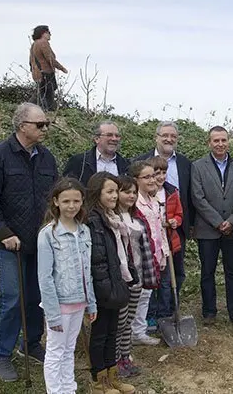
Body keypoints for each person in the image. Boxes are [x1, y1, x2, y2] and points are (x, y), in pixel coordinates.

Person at [0, 102, 58, 382]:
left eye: (46, 124)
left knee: (37, 298)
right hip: (9, 243)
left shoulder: (47, 158)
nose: (45, 128)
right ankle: (1, 354)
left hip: (40, 243)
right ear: (22, 126)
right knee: (13, 299)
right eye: (40, 124)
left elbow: (54, 199)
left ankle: (31, 343)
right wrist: (3, 233)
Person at [37, 177, 97, 394]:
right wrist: (52, 314)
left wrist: (91, 303)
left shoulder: (84, 231)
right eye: (66, 201)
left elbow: (86, 271)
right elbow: (45, 277)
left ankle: (68, 388)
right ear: (56, 202)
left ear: (82, 202)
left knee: (69, 349)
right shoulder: (48, 234)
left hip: (79, 302)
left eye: (76, 201)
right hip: (59, 305)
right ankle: (55, 390)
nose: (71, 206)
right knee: (55, 351)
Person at [191, 126, 233, 324]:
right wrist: (217, 222)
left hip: (232, 230)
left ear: (228, 141)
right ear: (209, 143)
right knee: (207, 271)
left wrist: (231, 221)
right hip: (208, 229)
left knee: (232, 271)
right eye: (216, 140)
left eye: (223, 140)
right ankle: (209, 312)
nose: (220, 144)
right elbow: (198, 198)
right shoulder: (198, 166)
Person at [85, 172, 136, 394]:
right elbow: (97, 260)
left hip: (115, 283)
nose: (115, 195)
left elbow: (120, 253)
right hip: (102, 287)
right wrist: (106, 289)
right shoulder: (93, 220)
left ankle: (112, 376)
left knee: (112, 332)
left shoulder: (112, 218)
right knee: (99, 334)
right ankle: (99, 381)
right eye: (110, 191)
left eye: (116, 191)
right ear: (97, 193)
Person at [115, 175, 155, 378]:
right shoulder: (113, 219)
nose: (131, 195)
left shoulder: (136, 218)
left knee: (129, 320)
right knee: (119, 323)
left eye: (133, 192)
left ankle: (125, 356)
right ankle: (114, 362)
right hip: (122, 279)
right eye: (126, 191)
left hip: (138, 275)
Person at [129, 161, 165, 346]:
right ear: (136, 180)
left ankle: (139, 332)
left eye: (153, 175)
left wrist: (163, 253)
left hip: (154, 254)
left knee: (146, 295)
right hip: (139, 255)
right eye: (147, 177)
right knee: (138, 294)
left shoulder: (155, 200)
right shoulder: (134, 204)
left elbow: (160, 229)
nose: (153, 179)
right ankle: (131, 332)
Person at [147, 156, 184, 324]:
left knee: (167, 281)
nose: (161, 177)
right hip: (151, 244)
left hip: (168, 242)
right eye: (156, 173)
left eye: (163, 172)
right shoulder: (146, 194)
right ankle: (150, 314)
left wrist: (175, 221)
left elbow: (179, 214)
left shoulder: (172, 192)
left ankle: (164, 313)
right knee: (152, 280)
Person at [63, 121, 130, 186]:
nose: (114, 139)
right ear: (97, 139)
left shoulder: (127, 165)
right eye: (109, 135)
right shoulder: (79, 162)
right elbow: (66, 187)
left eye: (117, 136)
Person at [29, 25, 67, 112]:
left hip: (38, 72)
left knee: (41, 92)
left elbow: (30, 61)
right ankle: (46, 111)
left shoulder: (34, 44)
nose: (50, 34)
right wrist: (62, 68)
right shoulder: (43, 43)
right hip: (45, 72)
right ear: (43, 33)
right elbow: (50, 59)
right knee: (47, 93)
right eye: (48, 32)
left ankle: (29, 108)